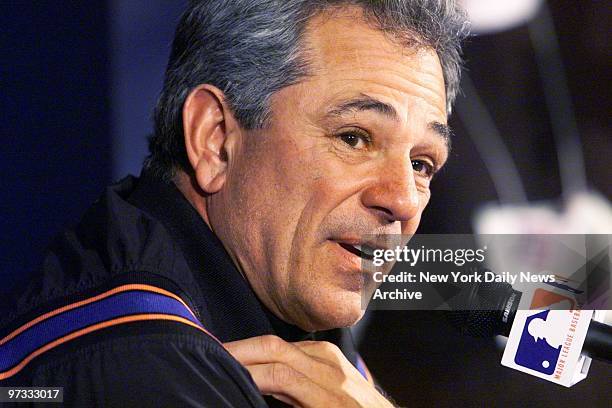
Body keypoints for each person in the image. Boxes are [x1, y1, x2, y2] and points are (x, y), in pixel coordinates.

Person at [0, 1, 468, 406]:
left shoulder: (298, 325)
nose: (404, 200)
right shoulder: (141, 364)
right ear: (215, 140)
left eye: (423, 164)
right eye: (354, 138)